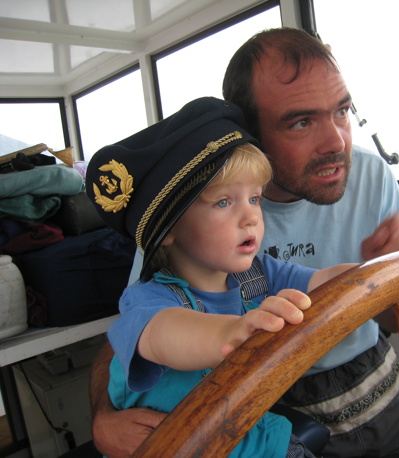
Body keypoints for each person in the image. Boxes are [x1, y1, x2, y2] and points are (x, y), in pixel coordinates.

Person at [89, 28, 399, 457]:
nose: (336, 143)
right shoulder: (176, 227)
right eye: (301, 122)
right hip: (271, 410)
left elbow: (332, 285)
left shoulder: (357, 186)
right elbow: (141, 333)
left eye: (342, 111)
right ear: (250, 132)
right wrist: (103, 417)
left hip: (377, 385)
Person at [86, 96, 362, 457]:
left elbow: (326, 281)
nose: (251, 217)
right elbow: (164, 335)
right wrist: (230, 332)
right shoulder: (147, 300)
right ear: (169, 230)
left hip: (251, 439)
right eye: (223, 202)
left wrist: (389, 264)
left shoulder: (260, 274)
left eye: (255, 199)